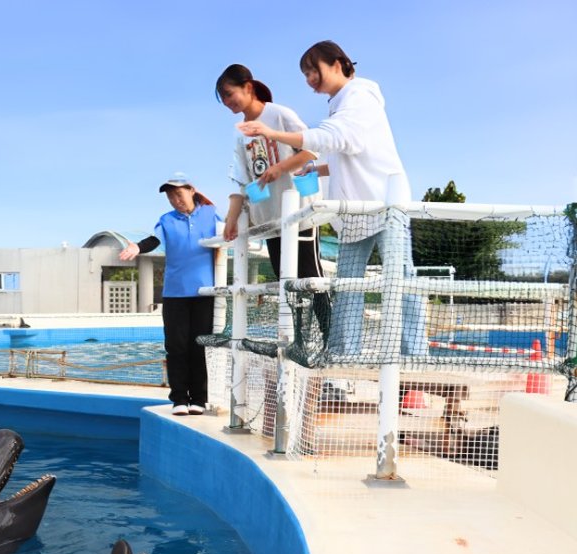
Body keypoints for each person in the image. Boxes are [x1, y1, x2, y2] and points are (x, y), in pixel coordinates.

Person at [237, 41, 426, 357]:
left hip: (383, 205)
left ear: (338, 64)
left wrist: (273, 134)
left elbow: (337, 137)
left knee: (399, 280)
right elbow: (348, 153)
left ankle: (415, 355)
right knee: (347, 284)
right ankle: (343, 352)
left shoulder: (360, 97)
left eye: (314, 70)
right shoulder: (340, 104)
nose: (310, 79)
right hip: (352, 212)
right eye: (306, 74)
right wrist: (318, 168)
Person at [215, 64, 330, 338]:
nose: (228, 102)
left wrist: (280, 168)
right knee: (285, 281)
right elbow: (241, 180)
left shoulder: (278, 114)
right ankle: (299, 339)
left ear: (248, 87)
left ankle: (330, 337)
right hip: (270, 218)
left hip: (299, 212)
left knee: (310, 276)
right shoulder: (239, 132)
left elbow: (312, 149)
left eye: (230, 94)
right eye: (224, 98)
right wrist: (231, 219)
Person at [120, 173, 219, 415]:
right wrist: (136, 246)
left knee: (198, 346)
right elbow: (154, 240)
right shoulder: (166, 220)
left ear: (191, 190)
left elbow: (229, 231)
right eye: (170, 196)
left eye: (178, 193)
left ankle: (198, 399)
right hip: (175, 293)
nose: (175, 199)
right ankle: (179, 400)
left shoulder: (210, 213)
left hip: (204, 291)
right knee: (176, 347)